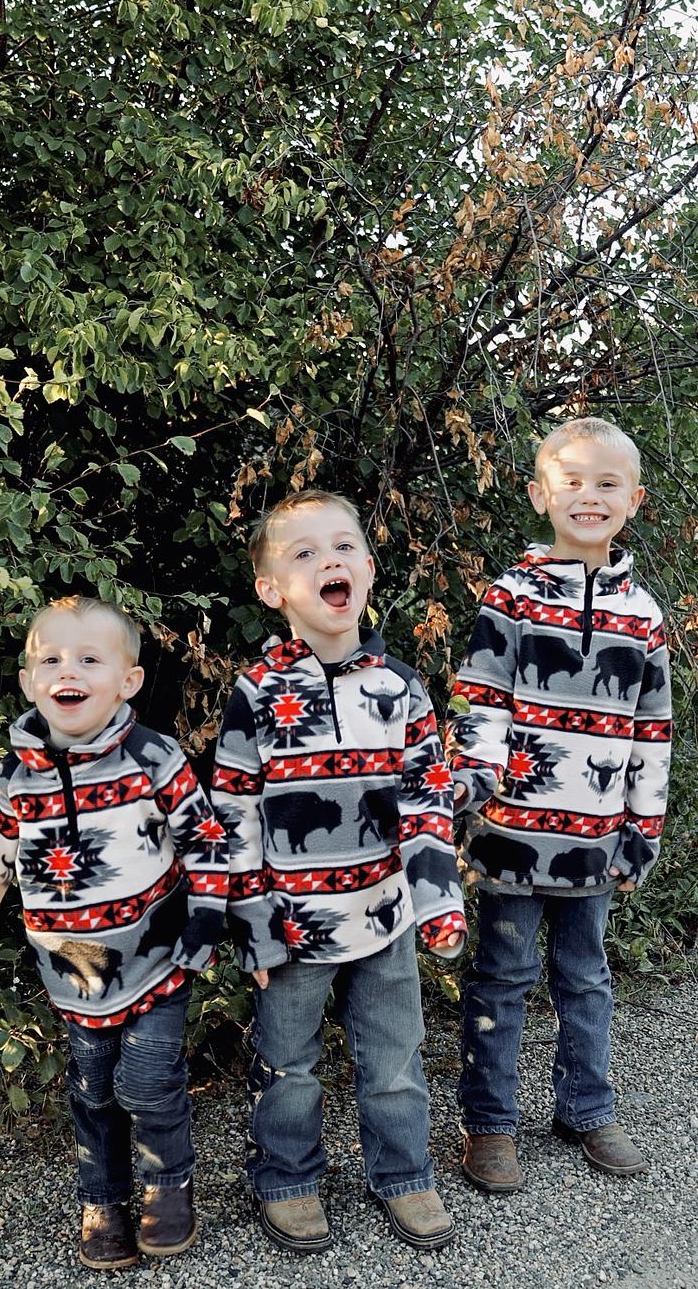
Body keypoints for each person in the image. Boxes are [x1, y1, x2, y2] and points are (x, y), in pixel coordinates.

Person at [0, 596, 229, 1270]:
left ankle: (168, 1184)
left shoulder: (153, 756)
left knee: (147, 1081)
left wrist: (209, 915)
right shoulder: (12, 781)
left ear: (128, 680)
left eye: (90, 659)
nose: (68, 670)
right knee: (92, 1090)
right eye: (52, 660)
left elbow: (206, 838)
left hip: (158, 959)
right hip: (72, 974)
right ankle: (104, 1198)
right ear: (29, 681)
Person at [213, 489, 467, 1254]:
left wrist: (437, 901)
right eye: (305, 552)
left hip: (385, 915)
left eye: (345, 545)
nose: (330, 559)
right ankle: (287, 1179)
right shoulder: (258, 694)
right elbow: (233, 811)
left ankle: (405, 1171)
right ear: (272, 590)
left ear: (369, 568)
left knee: (395, 1059)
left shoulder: (401, 689)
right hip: (292, 924)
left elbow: (426, 801)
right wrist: (251, 921)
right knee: (287, 1065)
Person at [448, 417, 672, 1193]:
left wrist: (642, 829)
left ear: (633, 500)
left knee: (585, 977)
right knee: (502, 977)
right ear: (540, 493)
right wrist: (470, 785)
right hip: (513, 834)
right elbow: (480, 701)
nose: (588, 495)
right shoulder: (510, 597)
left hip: (596, 843)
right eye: (571, 480)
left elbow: (652, 732)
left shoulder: (644, 615)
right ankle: (489, 1121)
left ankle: (586, 1108)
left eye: (607, 483)